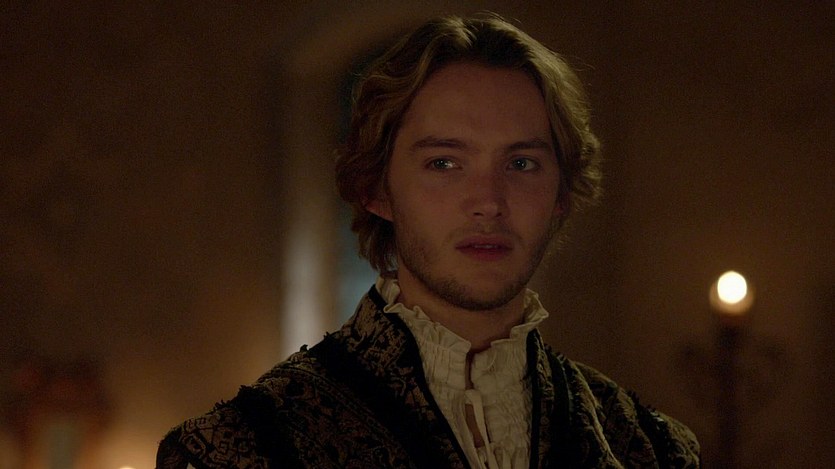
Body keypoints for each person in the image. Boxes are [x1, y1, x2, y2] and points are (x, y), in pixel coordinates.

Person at [157, 13, 700, 469]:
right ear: (376, 188)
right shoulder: (242, 449)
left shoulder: (648, 448)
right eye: (444, 163)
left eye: (521, 163)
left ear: (561, 193)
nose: (488, 201)